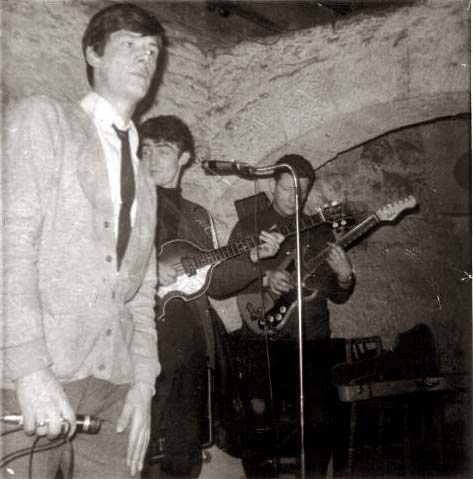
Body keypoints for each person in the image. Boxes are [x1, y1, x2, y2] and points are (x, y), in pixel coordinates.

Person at [3, 4, 165, 478]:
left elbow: (141, 297)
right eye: (130, 46)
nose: (144, 59)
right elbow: (9, 247)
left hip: (113, 389)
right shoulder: (44, 119)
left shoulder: (146, 180)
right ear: (93, 54)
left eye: (152, 51)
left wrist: (142, 385)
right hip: (34, 380)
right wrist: (28, 371)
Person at [138, 115, 284, 478]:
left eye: (164, 150)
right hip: (141, 338)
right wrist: (149, 271)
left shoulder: (198, 217)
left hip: (189, 345)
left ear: (184, 157)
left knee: (184, 450)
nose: (152, 159)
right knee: (138, 444)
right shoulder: (127, 206)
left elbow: (216, 283)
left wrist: (253, 260)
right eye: (145, 150)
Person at [221, 154, 356, 478]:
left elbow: (338, 296)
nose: (295, 199)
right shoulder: (248, 226)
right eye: (287, 190)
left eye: (302, 191)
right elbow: (226, 280)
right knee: (260, 426)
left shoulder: (320, 232)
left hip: (312, 339)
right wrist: (265, 279)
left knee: (319, 424)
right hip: (262, 340)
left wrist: (344, 275)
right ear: (272, 185)